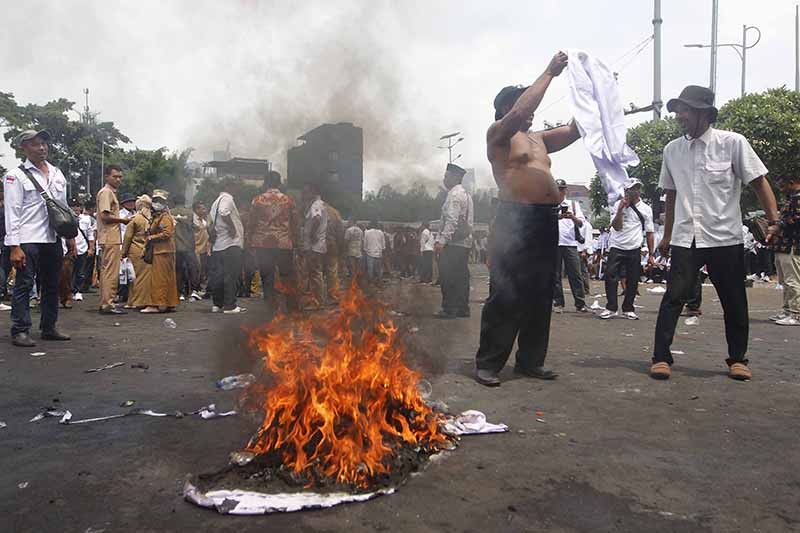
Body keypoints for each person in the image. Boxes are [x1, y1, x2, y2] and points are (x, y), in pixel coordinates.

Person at [650, 85, 780, 381]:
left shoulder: (733, 143)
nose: (679, 116)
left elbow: (759, 182)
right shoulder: (672, 150)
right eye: (678, 110)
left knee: (734, 299)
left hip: (725, 237)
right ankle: (661, 357)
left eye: (685, 110)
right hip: (686, 237)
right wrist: (667, 235)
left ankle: (737, 359)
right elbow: (670, 195)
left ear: (704, 114)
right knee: (673, 297)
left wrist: (773, 222)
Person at [475, 51, 581, 386]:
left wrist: (596, 93)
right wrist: (550, 72)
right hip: (514, 219)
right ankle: (489, 363)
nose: (530, 113)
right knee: (506, 292)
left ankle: (530, 361)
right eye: (522, 105)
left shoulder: (539, 140)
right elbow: (524, 110)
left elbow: (576, 131)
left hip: (544, 220)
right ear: (507, 109)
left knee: (540, 292)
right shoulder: (499, 134)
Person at [3, 129, 73, 346]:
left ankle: (49, 327)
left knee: (52, 284)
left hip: (52, 238)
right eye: (35, 144)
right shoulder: (15, 176)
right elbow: (12, 211)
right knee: (24, 284)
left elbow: (63, 208)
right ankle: (20, 330)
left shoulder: (57, 173)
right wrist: (14, 245)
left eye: (43, 143)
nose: (41, 147)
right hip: (27, 238)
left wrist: (70, 236)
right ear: (24, 148)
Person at [598, 178, 655, 320]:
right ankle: (611, 308)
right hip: (617, 246)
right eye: (631, 189)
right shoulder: (617, 205)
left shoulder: (646, 209)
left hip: (634, 247)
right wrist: (620, 210)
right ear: (626, 191)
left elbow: (649, 232)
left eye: (637, 188)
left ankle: (628, 308)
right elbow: (616, 226)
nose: (635, 191)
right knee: (610, 276)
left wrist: (651, 254)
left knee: (633, 279)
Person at [245, 171, 300, 312]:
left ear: (266, 183)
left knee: (267, 277)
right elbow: (295, 224)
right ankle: (292, 309)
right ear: (279, 183)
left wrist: (248, 240)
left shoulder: (257, 200)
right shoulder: (289, 201)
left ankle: (270, 310)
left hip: (263, 244)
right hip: (284, 243)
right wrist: (296, 242)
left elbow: (251, 223)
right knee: (287, 276)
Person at [434, 163, 474, 319]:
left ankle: (449, 308)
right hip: (463, 243)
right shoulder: (466, 194)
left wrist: (441, 241)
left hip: (453, 244)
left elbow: (451, 220)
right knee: (461, 276)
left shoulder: (454, 195)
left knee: (447, 276)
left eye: (446, 176)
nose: (444, 179)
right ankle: (463, 308)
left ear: (455, 177)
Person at [95, 164, 130, 315]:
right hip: (110, 237)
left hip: (110, 236)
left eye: (120, 177)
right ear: (107, 176)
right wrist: (123, 221)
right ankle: (108, 304)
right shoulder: (106, 193)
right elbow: (105, 216)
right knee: (111, 272)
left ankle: (106, 302)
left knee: (107, 271)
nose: (118, 179)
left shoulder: (109, 193)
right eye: (115, 176)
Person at [208, 177, 246, 314]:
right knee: (231, 275)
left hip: (219, 245)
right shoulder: (227, 199)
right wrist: (233, 228)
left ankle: (217, 304)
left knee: (218, 275)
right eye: (236, 186)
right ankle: (230, 305)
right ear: (229, 186)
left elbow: (210, 222)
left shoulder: (215, 202)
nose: (238, 189)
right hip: (231, 244)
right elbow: (224, 212)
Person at [553, 179, 588, 313]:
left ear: (565, 190)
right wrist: (558, 216)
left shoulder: (573, 205)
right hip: (555, 243)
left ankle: (580, 303)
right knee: (555, 275)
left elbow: (581, 223)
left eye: (562, 189)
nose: (560, 192)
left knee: (576, 274)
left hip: (570, 243)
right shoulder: (551, 205)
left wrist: (572, 217)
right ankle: (558, 303)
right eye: (557, 189)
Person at [140, 190, 179, 313]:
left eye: (159, 201)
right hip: (165, 251)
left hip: (162, 251)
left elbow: (166, 233)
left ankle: (155, 305)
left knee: (158, 279)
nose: (157, 203)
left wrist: (151, 237)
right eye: (155, 201)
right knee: (168, 278)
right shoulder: (159, 216)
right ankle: (169, 302)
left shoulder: (165, 217)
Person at [770, 175, 800, 326]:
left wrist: (779, 224)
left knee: (792, 281)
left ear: (792, 182)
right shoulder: (791, 198)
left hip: (793, 246)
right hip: (783, 245)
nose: (780, 189)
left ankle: (796, 314)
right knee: (785, 281)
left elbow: (797, 219)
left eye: (782, 186)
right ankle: (787, 310)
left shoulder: (798, 199)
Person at [121, 195, 153, 309]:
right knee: (145, 278)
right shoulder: (152, 218)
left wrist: (123, 252)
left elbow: (128, 237)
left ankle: (135, 301)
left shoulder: (135, 219)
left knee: (134, 277)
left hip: (135, 250)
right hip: (149, 251)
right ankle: (142, 300)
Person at [300, 182, 328, 308]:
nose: (304, 194)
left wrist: (311, 235)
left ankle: (318, 302)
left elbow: (316, 219)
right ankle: (315, 301)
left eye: (306, 192)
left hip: (314, 246)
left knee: (315, 274)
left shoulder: (316, 205)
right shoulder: (320, 204)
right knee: (314, 274)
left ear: (313, 192)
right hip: (315, 246)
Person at [171, 196, 199, 302]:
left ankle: (180, 292)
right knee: (192, 269)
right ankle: (194, 292)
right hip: (188, 246)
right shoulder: (190, 213)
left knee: (178, 270)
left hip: (176, 246)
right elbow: (197, 227)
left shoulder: (170, 212)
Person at [323, 201, 344, 303]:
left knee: (314, 273)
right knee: (332, 272)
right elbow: (340, 232)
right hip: (331, 245)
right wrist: (339, 247)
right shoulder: (335, 212)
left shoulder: (312, 209)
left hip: (316, 246)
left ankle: (315, 298)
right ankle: (333, 296)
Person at [192, 200, 210, 296]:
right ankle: (195, 289)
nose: (204, 210)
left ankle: (200, 288)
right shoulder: (193, 219)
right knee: (197, 269)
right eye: (202, 208)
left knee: (203, 269)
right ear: (196, 209)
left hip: (205, 248)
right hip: (196, 248)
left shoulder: (204, 219)